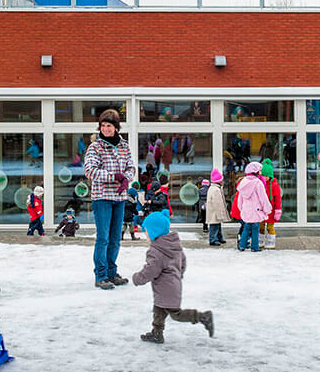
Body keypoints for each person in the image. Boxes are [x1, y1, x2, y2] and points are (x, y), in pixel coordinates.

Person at [132, 212, 214, 344]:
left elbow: (151, 270)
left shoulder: (156, 250)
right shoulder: (173, 245)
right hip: (171, 285)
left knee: (176, 314)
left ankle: (202, 317)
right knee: (158, 309)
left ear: (154, 231)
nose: (145, 234)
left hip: (166, 288)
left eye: (146, 231)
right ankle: (156, 333)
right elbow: (183, 261)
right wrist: (178, 274)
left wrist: (138, 278)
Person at [83, 109, 137, 290]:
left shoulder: (124, 146)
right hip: (102, 198)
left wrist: (126, 179)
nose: (105, 129)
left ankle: (112, 272)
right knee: (103, 237)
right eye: (103, 126)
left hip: (119, 197)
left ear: (116, 127)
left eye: (109, 125)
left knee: (115, 238)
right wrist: (115, 176)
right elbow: (90, 170)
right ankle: (101, 274)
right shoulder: (95, 147)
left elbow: (131, 167)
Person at [236, 162, 271, 252]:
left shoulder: (243, 182)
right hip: (256, 210)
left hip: (246, 210)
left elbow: (240, 198)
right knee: (255, 228)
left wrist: (241, 208)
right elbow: (263, 198)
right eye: (259, 170)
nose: (261, 172)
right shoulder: (258, 183)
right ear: (255, 171)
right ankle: (255, 246)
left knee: (246, 228)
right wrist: (267, 209)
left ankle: (242, 245)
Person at [259, 159, 283, 250]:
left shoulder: (275, 186)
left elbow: (278, 199)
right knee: (260, 226)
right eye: (263, 175)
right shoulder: (260, 184)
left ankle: (271, 242)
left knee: (270, 226)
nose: (264, 177)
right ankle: (260, 241)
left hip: (271, 210)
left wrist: (278, 210)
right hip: (261, 210)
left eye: (266, 176)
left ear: (270, 176)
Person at [205, 169, 230, 247]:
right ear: (218, 181)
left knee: (218, 225)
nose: (223, 181)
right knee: (214, 226)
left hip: (214, 211)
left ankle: (219, 237)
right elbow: (217, 203)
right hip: (214, 212)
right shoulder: (216, 190)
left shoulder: (215, 188)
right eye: (221, 179)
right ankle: (213, 239)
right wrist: (220, 213)